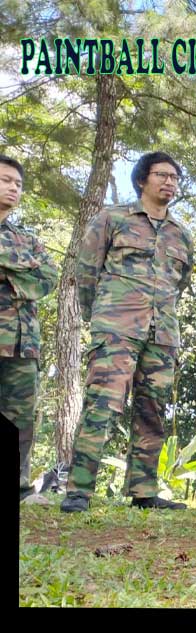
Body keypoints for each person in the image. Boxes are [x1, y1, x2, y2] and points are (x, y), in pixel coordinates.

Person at [62, 152, 194, 513]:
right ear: (141, 180)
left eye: (174, 177)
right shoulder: (112, 219)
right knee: (101, 405)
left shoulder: (181, 234)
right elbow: (87, 272)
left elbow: (179, 283)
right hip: (116, 328)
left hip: (162, 334)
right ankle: (79, 490)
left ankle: (143, 490)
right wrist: (102, 315)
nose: (169, 182)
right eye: (162, 175)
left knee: (153, 408)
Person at [0, 155, 58, 506]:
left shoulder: (28, 240)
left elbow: (47, 278)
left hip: (21, 344)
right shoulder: (26, 251)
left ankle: (20, 489)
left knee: (19, 419)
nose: (13, 188)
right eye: (6, 180)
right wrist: (21, 269)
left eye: (18, 184)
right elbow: (32, 274)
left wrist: (7, 274)